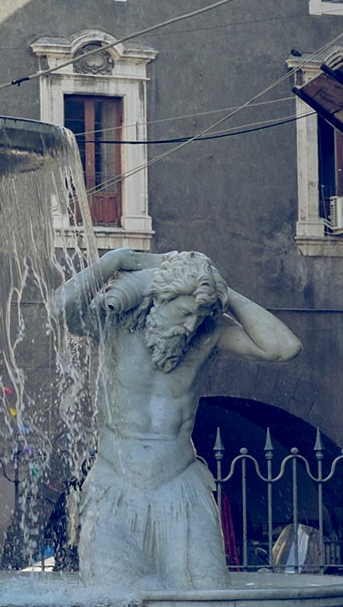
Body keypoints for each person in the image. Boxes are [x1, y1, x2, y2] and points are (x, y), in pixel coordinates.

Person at [53, 250, 300, 588]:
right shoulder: (113, 325)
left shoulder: (207, 333)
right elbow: (60, 306)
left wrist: (223, 292)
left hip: (180, 486)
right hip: (116, 486)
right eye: (185, 313)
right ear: (159, 298)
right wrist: (117, 259)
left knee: (205, 595)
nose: (189, 326)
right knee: (110, 604)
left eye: (198, 316)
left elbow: (283, 347)